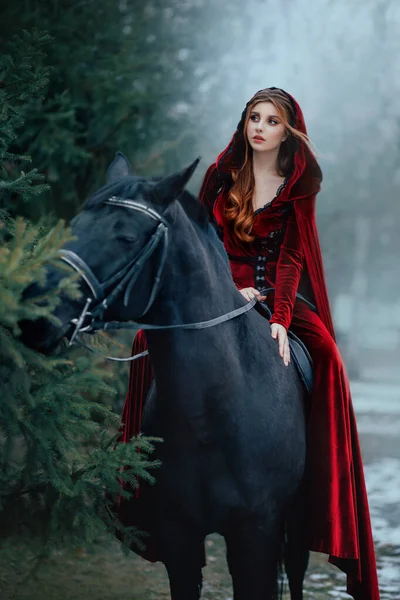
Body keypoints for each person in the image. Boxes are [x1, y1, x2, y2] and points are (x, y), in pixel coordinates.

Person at [119, 87, 380, 599]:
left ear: (287, 131)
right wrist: (220, 286)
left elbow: (290, 260)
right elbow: (202, 241)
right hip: (218, 289)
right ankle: (140, 486)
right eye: (253, 118)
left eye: (271, 121)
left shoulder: (297, 185)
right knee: (146, 342)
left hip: (276, 296)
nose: (259, 127)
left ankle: (316, 485)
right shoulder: (221, 174)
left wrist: (280, 317)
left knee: (325, 356)